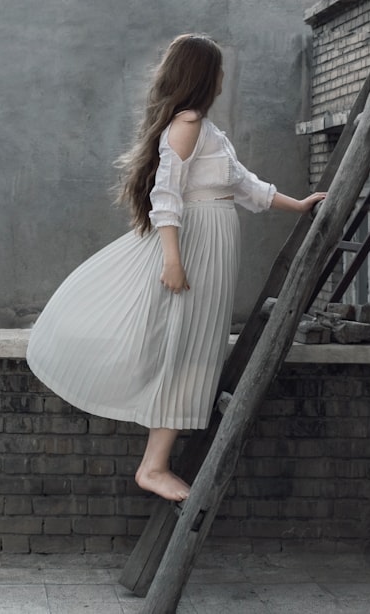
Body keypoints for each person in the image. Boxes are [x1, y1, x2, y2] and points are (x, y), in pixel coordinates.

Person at [26, 33, 326, 502]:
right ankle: (153, 465)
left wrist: (301, 205)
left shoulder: (207, 130)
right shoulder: (186, 123)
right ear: (203, 75)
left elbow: (246, 187)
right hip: (194, 245)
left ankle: (156, 462)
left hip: (214, 244)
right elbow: (164, 196)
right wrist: (172, 259)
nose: (224, 76)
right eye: (219, 69)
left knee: (198, 349)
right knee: (185, 347)